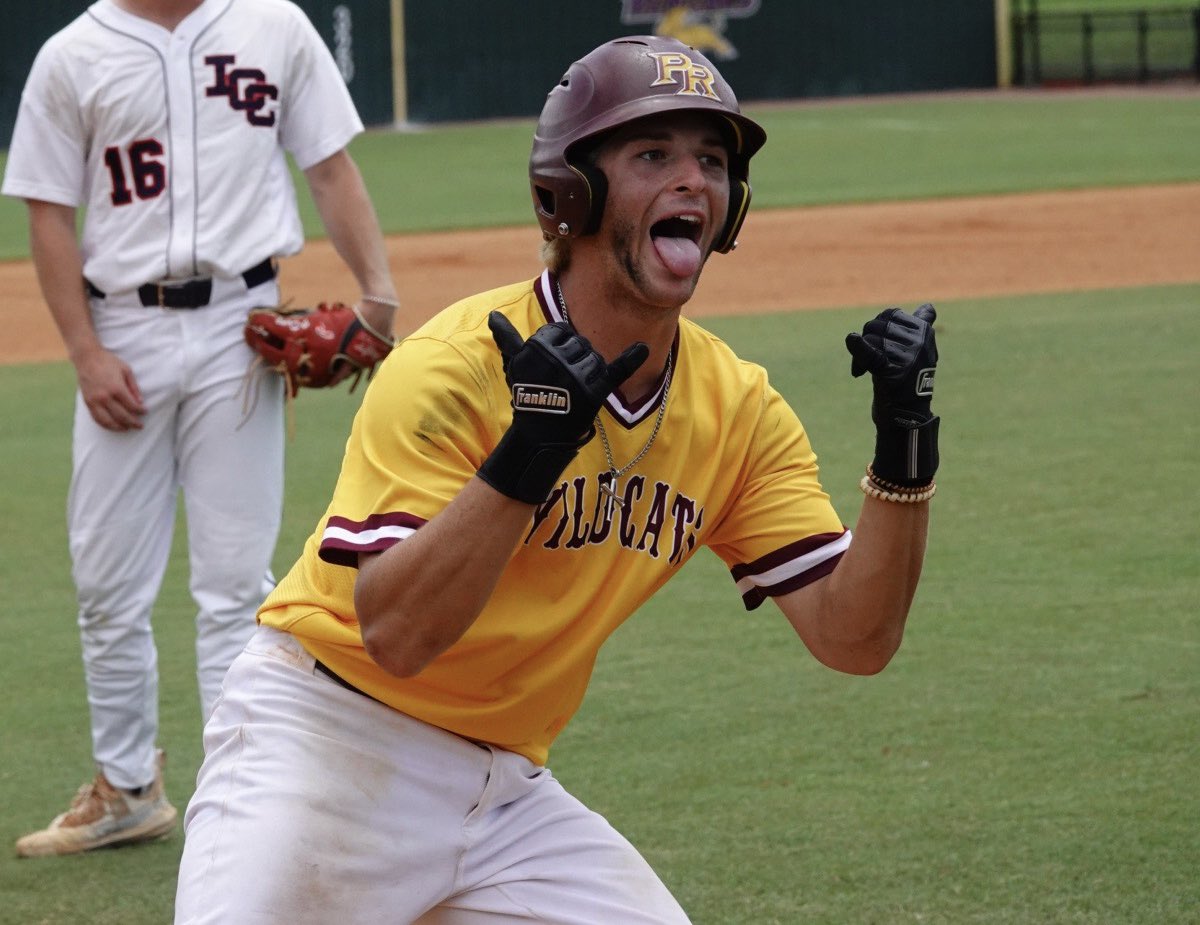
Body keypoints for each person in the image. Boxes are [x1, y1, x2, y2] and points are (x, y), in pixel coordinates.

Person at [174, 34, 940, 924]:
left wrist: (903, 448)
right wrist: (528, 455)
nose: (693, 179)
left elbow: (855, 637)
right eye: (653, 153)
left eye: (712, 159)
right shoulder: (457, 363)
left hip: (501, 794)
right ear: (567, 192)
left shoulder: (736, 408)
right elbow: (395, 632)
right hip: (323, 739)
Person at [3, 0, 406, 858]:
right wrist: (83, 351)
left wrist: (379, 291)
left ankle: (241, 790)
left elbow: (329, 167)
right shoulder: (74, 54)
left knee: (235, 583)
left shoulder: (274, 26)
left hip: (242, 325)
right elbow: (47, 210)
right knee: (107, 583)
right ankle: (127, 787)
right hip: (124, 334)